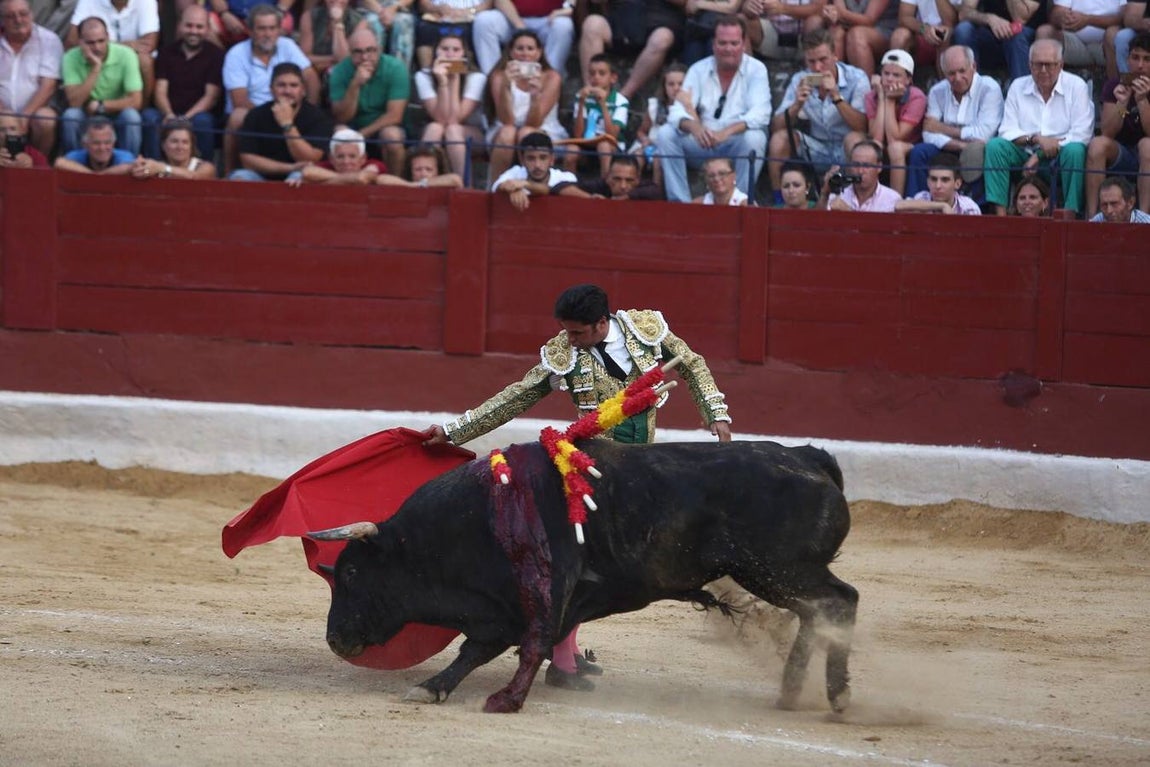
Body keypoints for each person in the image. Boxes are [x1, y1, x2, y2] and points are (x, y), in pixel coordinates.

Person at [421, 284, 733, 689]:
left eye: (578, 333)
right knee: (578, 560)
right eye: (567, 333)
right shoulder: (563, 353)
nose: (569, 341)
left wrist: (716, 413)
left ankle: (562, 655)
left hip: (642, 465)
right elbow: (515, 398)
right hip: (591, 465)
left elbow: (690, 363)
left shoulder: (645, 329)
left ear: (603, 322)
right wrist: (453, 431)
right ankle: (563, 661)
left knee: (600, 561)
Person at [655, 15, 771, 203]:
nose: (728, 49)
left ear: (743, 43)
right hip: (703, 142)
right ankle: (680, 203)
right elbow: (676, 112)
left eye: (734, 43)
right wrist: (695, 128)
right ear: (713, 44)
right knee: (666, 134)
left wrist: (727, 132)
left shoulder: (757, 69)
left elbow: (761, 114)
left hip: (734, 142)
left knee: (755, 137)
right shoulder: (698, 69)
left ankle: (739, 201)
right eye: (722, 43)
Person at [985, 38, 1093, 216]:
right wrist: (1036, 139)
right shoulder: (1018, 86)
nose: (1043, 70)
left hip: (1060, 156)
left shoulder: (1076, 86)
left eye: (1049, 65)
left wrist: (1039, 154)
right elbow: (1006, 130)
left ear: (1060, 64)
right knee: (995, 146)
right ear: (1029, 65)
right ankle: (1000, 215)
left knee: (1075, 150)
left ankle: (1069, 215)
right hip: (1023, 153)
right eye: (1038, 65)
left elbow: (1082, 134)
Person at [768, 28, 870, 198]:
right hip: (816, 147)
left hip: (847, 149)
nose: (818, 67)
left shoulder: (857, 78)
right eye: (811, 61)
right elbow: (776, 127)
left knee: (855, 139)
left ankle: (856, 201)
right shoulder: (800, 79)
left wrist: (836, 97)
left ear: (835, 55)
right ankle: (779, 202)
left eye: (823, 60)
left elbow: (863, 126)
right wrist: (797, 105)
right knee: (780, 139)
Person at [221, 4, 319, 175]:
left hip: (291, 111)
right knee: (238, 116)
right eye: (262, 29)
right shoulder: (236, 54)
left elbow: (311, 78)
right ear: (250, 31)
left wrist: (307, 108)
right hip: (255, 115)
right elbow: (239, 100)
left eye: (272, 28)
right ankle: (230, 173)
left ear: (279, 30)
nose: (268, 34)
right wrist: (273, 116)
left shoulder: (287, 46)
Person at [906, 44, 1003, 198]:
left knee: (978, 152)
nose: (957, 78)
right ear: (944, 73)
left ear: (974, 66)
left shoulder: (989, 88)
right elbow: (929, 133)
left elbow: (984, 134)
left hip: (978, 149)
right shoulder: (937, 91)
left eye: (962, 71)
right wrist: (961, 145)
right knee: (920, 152)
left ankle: (977, 208)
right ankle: (915, 203)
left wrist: (942, 128)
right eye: (951, 73)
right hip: (951, 147)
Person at [485, 29, 568, 184]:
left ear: (539, 53)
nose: (525, 53)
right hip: (505, 129)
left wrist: (535, 96)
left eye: (530, 49)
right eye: (520, 48)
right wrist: (506, 87)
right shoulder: (498, 75)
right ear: (511, 52)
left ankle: (535, 189)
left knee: (527, 133)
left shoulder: (552, 77)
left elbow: (534, 123)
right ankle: (496, 187)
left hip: (544, 129)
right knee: (508, 133)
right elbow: (506, 120)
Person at [144, 4, 224, 162]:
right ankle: (151, 168)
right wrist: (169, 115)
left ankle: (203, 170)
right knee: (149, 116)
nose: (194, 31)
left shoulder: (216, 55)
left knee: (204, 121)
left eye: (199, 27)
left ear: (207, 29)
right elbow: (160, 90)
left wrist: (185, 119)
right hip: (168, 113)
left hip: (197, 115)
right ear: (180, 25)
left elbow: (211, 97)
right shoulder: (166, 52)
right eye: (189, 25)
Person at [230, 62, 334, 181]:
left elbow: (311, 158)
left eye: (293, 85)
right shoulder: (256, 115)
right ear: (271, 89)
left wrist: (287, 125)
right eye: (281, 85)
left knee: (299, 177)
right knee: (240, 177)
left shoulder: (318, 117)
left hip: (300, 174)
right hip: (263, 174)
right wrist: (289, 168)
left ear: (303, 91)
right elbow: (247, 160)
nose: (287, 91)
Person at [1085, 31, 1150, 218]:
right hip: (1123, 152)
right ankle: (1094, 215)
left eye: (1147, 59)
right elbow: (1108, 131)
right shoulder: (1115, 84)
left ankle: (1144, 218)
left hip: (1146, 154)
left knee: (1147, 145)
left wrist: (1142, 101)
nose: (1140, 65)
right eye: (1135, 57)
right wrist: (1122, 104)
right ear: (1127, 59)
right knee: (1098, 144)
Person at [330, 27, 411, 174]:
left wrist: (361, 135)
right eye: (358, 52)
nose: (365, 57)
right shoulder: (340, 71)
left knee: (391, 136)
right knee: (340, 133)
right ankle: (345, 183)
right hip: (353, 124)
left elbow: (395, 115)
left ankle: (395, 185)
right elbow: (342, 117)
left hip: (384, 124)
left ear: (379, 49)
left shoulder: (396, 68)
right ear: (350, 52)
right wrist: (355, 85)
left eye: (370, 50)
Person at [61, 15, 142, 155]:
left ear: (108, 37)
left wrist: (102, 105)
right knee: (71, 115)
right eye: (90, 43)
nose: (97, 47)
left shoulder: (126, 54)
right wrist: (95, 69)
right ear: (80, 42)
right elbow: (74, 102)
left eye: (101, 41)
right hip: (86, 113)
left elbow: (136, 100)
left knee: (131, 117)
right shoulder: (70, 58)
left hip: (116, 112)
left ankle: (130, 164)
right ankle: (74, 164)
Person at [578, 0, 687, 99]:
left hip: (657, 24)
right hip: (620, 23)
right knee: (592, 24)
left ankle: (623, 97)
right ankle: (591, 92)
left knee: (663, 37)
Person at [414, 33, 487, 177]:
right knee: (435, 128)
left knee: (453, 130)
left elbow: (454, 119)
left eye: (456, 50)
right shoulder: (423, 76)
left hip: (473, 133)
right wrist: (442, 82)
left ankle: (465, 188)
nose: (450, 54)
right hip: (439, 129)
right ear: (436, 51)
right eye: (444, 49)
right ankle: (425, 183)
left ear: (464, 53)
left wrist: (454, 78)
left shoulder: (477, 77)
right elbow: (441, 119)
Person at [0, 0, 62, 156]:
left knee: (46, 119)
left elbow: (48, 86)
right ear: (2, 19)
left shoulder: (49, 40)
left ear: (31, 14)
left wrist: (24, 116)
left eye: (23, 14)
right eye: (11, 16)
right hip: (2, 110)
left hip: (34, 112)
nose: (18, 20)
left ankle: (38, 165)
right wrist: (5, 115)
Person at [66, 0, 159, 102]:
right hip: (96, 56)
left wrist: (109, 46)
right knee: (81, 54)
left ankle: (142, 109)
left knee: (144, 60)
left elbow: (149, 44)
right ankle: (87, 106)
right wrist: (104, 46)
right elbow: (73, 40)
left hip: (130, 59)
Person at [864, 48, 925, 195]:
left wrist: (889, 101)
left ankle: (894, 200)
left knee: (895, 148)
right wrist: (882, 97)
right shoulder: (871, 95)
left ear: (908, 80)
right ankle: (869, 196)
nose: (890, 79)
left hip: (911, 145)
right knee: (872, 146)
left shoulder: (917, 96)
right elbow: (877, 137)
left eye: (896, 75)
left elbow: (895, 137)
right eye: (886, 73)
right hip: (884, 142)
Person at [563, 53, 629, 177]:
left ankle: (606, 185)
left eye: (602, 73)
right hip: (587, 142)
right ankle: (568, 185)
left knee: (603, 146)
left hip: (611, 145)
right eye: (592, 73)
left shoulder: (620, 101)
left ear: (613, 78)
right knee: (572, 149)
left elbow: (612, 136)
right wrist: (582, 102)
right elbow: (578, 134)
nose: (596, 77)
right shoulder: (581, 97)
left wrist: (603, 104)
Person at [490, 129, 590, 211]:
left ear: (552, 159)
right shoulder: (516, 172)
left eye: (543, 158)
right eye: (531, 158)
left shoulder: (566, 177)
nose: (537, 165)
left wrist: (525, 184)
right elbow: (497, 186)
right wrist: (513, 190)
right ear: (522, 160)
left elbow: (551, 191)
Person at [628, 63, 692, 187]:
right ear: (664, 86)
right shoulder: (655, 106)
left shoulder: (692, 108)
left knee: (659, 158)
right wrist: (645, 139)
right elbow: (641, 131)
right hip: (652, 145)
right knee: (638, 155)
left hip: (673, 149)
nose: (676, 88)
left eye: (680, 84)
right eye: (671, 84)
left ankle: (656, 188)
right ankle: (633, 186)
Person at [472, 0, 574, 75]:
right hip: (512, 18)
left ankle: (550, 78)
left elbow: (572, 4)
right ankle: (494, 78)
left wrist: (568, 9)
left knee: (563, 25)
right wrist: (520, 26)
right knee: (484, 20)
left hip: (547, 20)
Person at [953, 0, 1047, 81]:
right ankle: (972, 92)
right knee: (963, 30)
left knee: (1015, 37)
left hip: (1026, 38)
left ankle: (1021, 95)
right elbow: (964, 13)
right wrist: (989, 18)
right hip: (993, 34)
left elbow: (1019, 18)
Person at [1036, 0, 1124, 80]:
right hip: (1075, 42)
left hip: (1105, 45)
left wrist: (1088, 20)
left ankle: (1114, 92)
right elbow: (1057, 11)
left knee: (1113, 34)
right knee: (1044, 32)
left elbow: (1124, 18)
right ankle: (1044, 91)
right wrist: (1062, 17)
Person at [821, 137, 902, 210]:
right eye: (856, 165)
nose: (860, 171)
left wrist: (849, 212)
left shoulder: (892, 199)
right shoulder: (839, 196)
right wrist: (825, 194)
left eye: (866, 166)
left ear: (879, 167)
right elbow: (817, 221)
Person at [824, 0, 901, 76]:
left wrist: (841, 14)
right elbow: (838, 12)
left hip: (882, 28)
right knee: (836, 32)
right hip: (848, 24)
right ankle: (833, 81)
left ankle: (864, 85)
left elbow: (869, 20)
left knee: (857, 35)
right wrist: (831, 14)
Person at [298, 0, 372, 77]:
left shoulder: (359, 22)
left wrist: (337, 23)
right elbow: (303, 57)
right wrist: (333, 59)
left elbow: (343, 59)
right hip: (313, 70)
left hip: (344, 73)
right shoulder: (309, 16)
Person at [413, 0, 491, 69]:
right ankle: (427, 74)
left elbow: (489, 3)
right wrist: (437, 8)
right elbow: (422, 4)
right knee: (425, 30)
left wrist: (468, 11)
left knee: (466, 31)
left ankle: (463, 76)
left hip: (472, 17)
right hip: (438, 16)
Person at [741, 0, 827, 62]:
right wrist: (749, 7)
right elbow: (747, 8)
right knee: (741, 21)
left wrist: (784, 8)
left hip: (805, 39)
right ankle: (747, 75)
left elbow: (819, 8)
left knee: (815, 21)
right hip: (770, 35)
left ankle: (813, 74)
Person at [131, 119, 218, 179]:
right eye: (174, 141)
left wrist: (163, 169)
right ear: (163, 145)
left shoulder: (205, 167)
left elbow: (194, 177)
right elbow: (119, 170)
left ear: (191, 146)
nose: (180, 147)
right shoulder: (155, 167)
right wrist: (137, 166)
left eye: (185, 142)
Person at [895, 151, 981, 212]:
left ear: (957, 184)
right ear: (928, 182)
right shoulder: (922, 197)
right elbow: (898, 206)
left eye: (945, 180)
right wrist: (942, 206)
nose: (938, 186)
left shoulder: (968, 208)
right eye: (933, 179)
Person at [298, 126, 389, 184]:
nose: (346, 162)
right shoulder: (326, 165)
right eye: (340, 157)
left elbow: (362, 178)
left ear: (363, 158)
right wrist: (350, 178)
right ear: (331, 158)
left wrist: (323, 182)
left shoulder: (374, 164)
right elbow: (307, 172)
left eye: (352, 156)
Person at [889, 0, 959, 71]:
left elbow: (950, 23)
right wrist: (924, 29)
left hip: (949, 36)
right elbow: (904, 18)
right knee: (899, 36)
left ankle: (945, 81)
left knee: (944, 35)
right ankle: (894, 77)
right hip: (922, 32)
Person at [53, 114, 135, 173]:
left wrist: (96, 177)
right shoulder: (78, 156)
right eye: (96, 143)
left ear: (113, 143)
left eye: (107, 143)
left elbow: (131, 166)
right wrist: (94, 176)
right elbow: (59, 163)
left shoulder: (123, 156)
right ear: (85, 144)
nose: (102, 148)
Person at [358, 0, 417, 69]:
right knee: (374, 24)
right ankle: (372, 72)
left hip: (397, 9)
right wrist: (382, 12)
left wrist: (394, 7)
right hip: (370, 9)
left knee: (405, 22)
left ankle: (400, 73)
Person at [577, 152, 664, 198]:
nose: (623, 186)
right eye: (617, 179)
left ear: (638, 179)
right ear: (608, 177)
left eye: (629, 180)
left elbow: (656, 192)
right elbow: (565, 186)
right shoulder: (601, 185)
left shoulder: (646, 189)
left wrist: (628, 197)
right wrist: (591, 197)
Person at [376, 142, 466, 185]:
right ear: (410, 170)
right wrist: (411, 185)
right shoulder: (405, 183)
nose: (423, 174)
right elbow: (381, 179)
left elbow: (455, 179)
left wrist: (421, 184)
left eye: (429, 169)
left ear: (438, 170)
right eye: (418, 169)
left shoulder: (445, 182)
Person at [1116, 1, 1149, 70]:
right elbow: (1129, 19)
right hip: (1145, 30)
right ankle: (1127, 78)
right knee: (1123, 37)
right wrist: (1144, 23)